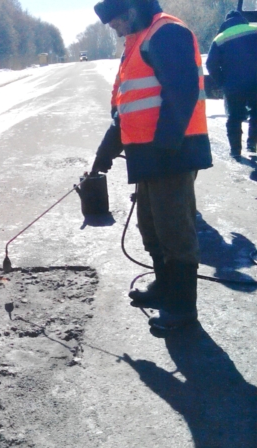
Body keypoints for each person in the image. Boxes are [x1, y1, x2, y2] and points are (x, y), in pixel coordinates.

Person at [91, 0, 213, 330]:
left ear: (130, 11)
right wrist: (103, 158)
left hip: (171, 154)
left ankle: (182, 308)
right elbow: (127, 110)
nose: (114, 30)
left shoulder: (166, 33)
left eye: (115, 22)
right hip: (149, 156)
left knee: (174, 230)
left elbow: (183, 91)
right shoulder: (138, 42)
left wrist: (165, 147)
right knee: (151, 226)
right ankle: (165, 287)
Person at [206, 10, 257, 158]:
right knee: (256, 113)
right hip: (255, 82)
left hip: (233, 86)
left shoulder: (220, 38)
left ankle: (235, 150)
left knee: (234, 116)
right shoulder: (254, 30)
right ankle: (252, 143)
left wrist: (222, 82)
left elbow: (210, 64)